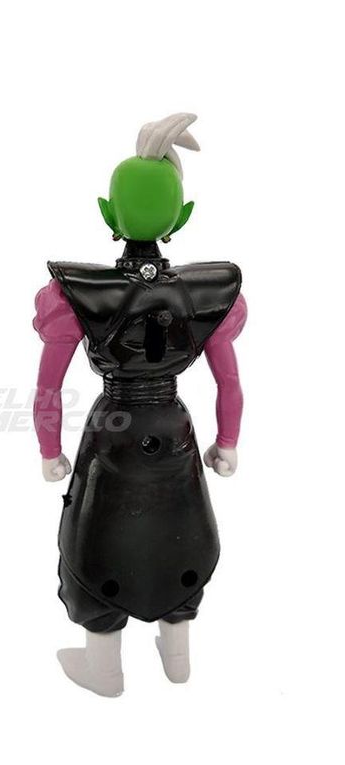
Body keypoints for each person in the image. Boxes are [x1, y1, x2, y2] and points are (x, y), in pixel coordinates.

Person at [33, 113, 246, 697]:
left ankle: (104, 668)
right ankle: (177, 655)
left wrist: (49, 450)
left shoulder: (77, 293)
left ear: (108, 214)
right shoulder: (210, 292)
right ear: (182, 216)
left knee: (97, 532)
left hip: (113, 426)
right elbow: (229, 382)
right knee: (180, 525)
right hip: (174, 426)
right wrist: (227, 443)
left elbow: (48, 387)